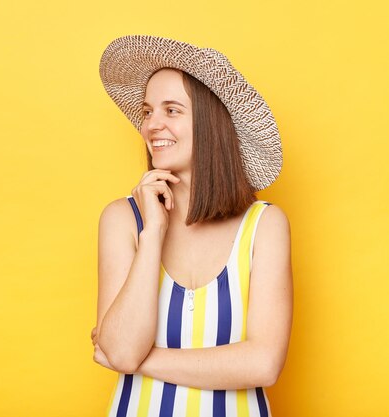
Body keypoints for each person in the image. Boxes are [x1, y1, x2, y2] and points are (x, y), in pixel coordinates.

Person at [91, 35, 293, 417]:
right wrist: (152, 234)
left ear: (210, 123)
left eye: (172, 110)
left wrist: (141, 361)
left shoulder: (264, 225)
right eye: (148, 111)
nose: (153, 125)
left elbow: (264, 364)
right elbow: (118, 348)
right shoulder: (122, 220)